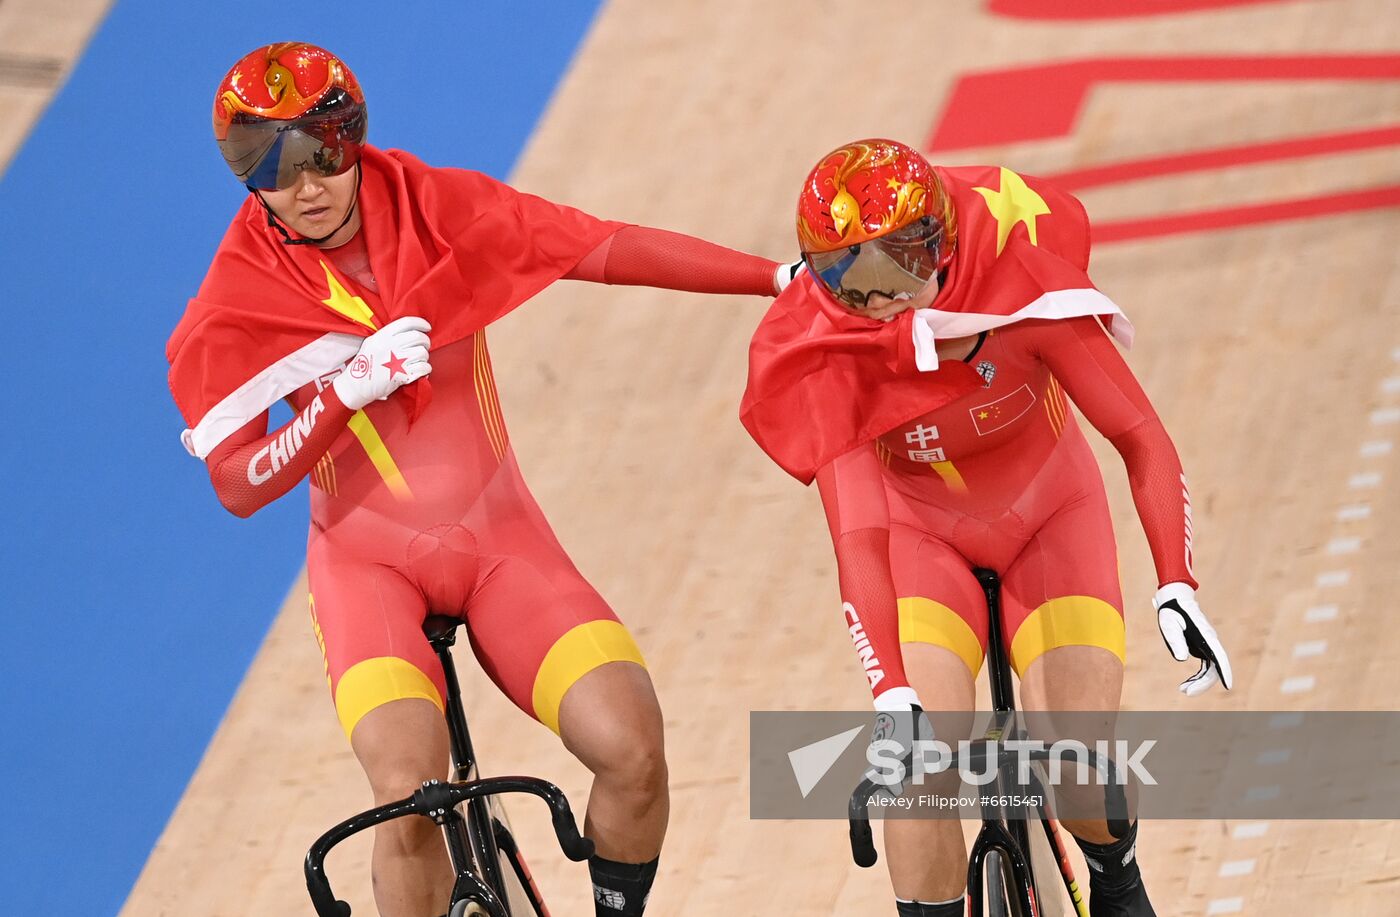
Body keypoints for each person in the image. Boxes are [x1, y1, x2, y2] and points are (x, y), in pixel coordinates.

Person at [167, 42, 795, 917]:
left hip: (500, 545)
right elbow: (237, 485)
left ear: (353, 137)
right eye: (267, 166)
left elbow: (603, 247)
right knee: (410, 797)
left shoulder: (443, 210)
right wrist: (342, 397)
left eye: (321, 152)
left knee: (632, 753)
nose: (304, 185)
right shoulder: (236, 299)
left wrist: (773, 278)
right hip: (368, 571)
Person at [740, 139, 1233, 917]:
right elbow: (859, 535)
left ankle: (1118, 879)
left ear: (938, 244)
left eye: (893, 268)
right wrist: (889, 690)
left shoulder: (1021, 282)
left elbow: (1142, 437)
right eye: (846, 277)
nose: (876, 301)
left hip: (1051, 524)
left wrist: (1175, 579)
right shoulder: (826, 350)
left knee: (1076, 768)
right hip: (920, 543)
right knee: (918, 772)